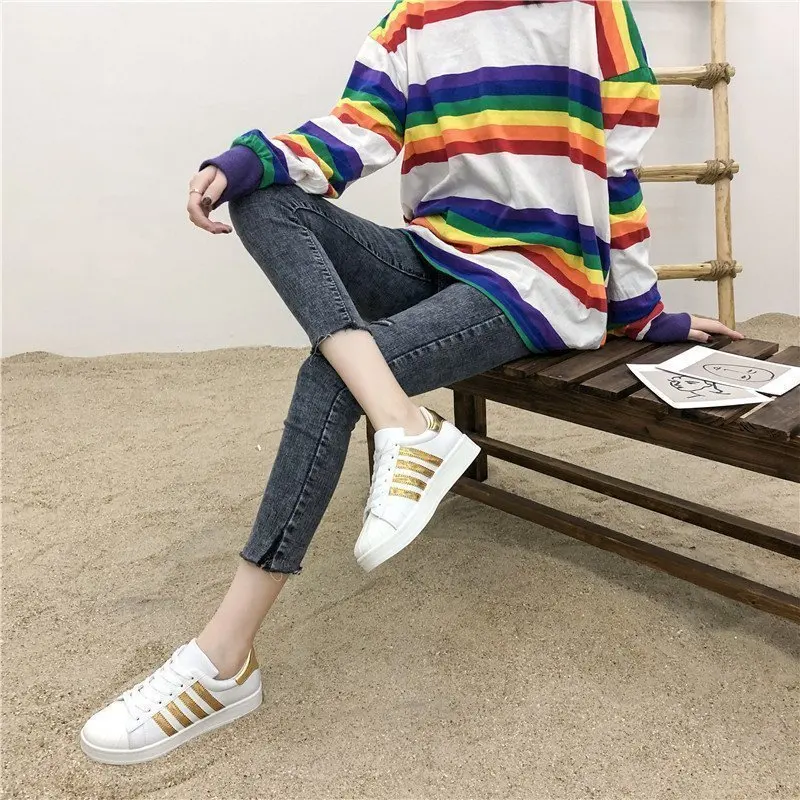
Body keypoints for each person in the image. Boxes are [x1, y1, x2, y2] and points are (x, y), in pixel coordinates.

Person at [80, 0, 741, 764]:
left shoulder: (589, 12)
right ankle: (403, 422)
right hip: (435, 253)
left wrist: (642, 313)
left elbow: (617, 177)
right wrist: (241, 164)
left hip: (537, 279)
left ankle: (223, 659)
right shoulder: (417, 14)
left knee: (329, 378)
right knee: (261, 191)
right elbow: (355, 128)